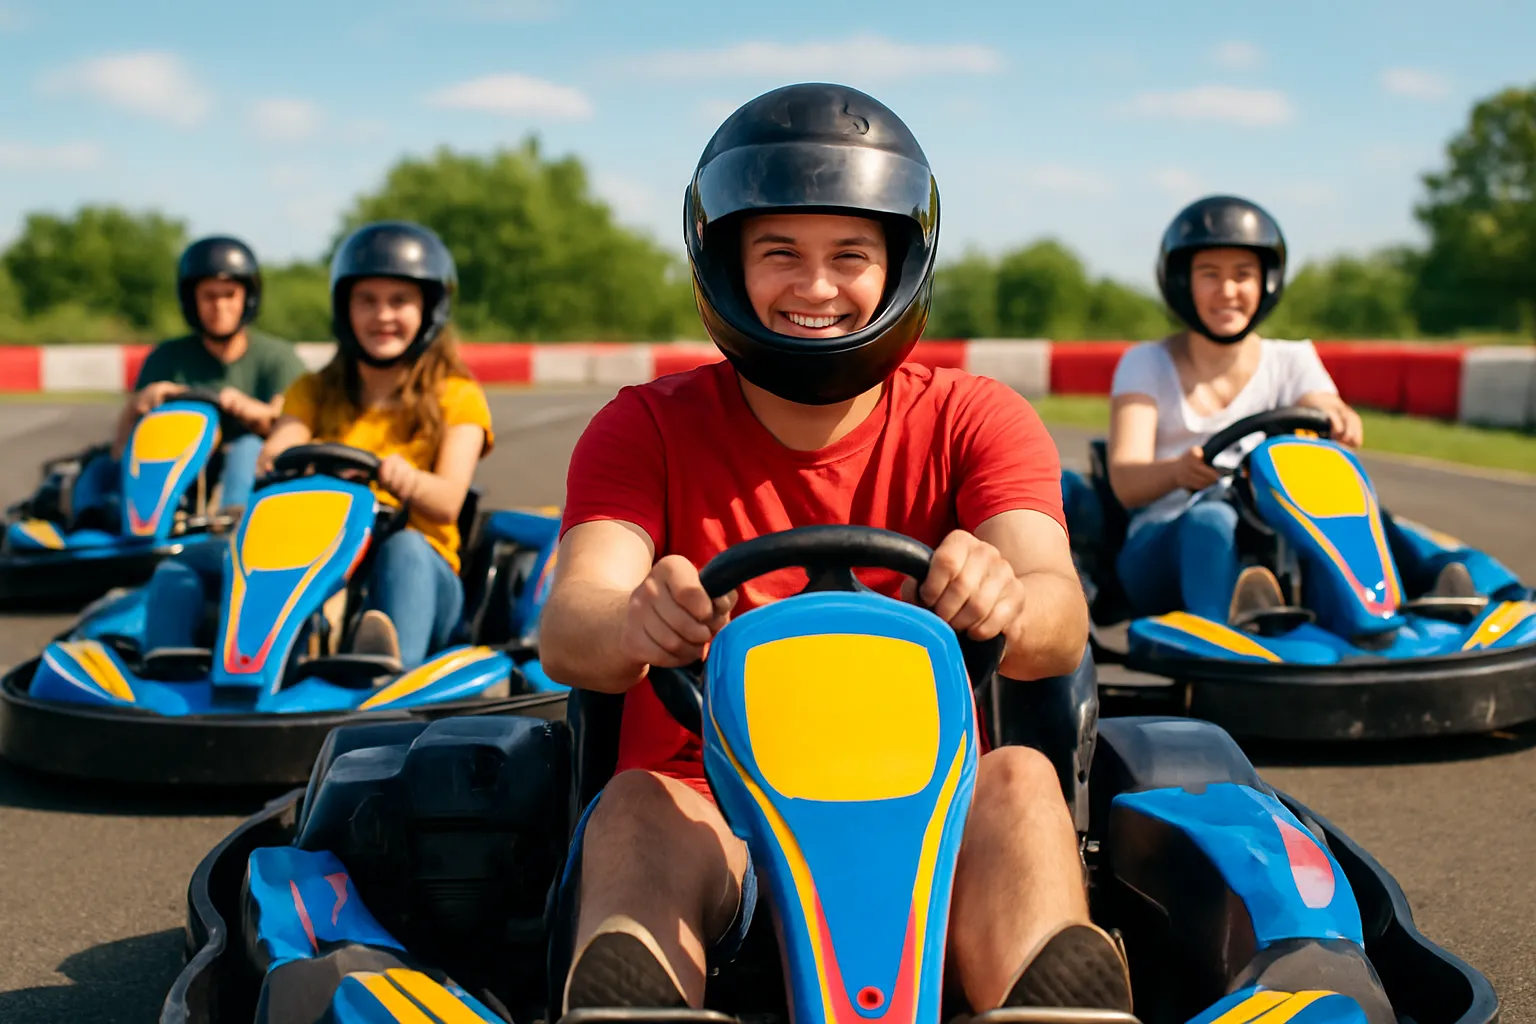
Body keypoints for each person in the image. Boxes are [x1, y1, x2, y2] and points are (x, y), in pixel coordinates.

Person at [539, 84, 1131, 1016]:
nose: (817, 288)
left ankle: (1046, 997)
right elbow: (572, 629)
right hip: (712, 808)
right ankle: (637, 998)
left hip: (930, 811)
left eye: (849, 255)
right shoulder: (642, 427)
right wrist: (635, 617)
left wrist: (1007, 596)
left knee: (1017, 776)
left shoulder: (976, 418)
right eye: (781, 254)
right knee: (635, 805)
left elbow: (1058, 618)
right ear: (725, 267)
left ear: (898, 267)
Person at [141, 221, 494, 670]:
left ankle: (386, 675)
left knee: (403, 551)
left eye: (399, 301)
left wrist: (401, 477)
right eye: (367, 300)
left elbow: (447, 502)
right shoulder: (313, 389)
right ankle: (172, 675)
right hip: (319, 552)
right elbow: (279, 451)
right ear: (344, 308)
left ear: (430, 309)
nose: (382, 315)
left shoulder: (457, 394)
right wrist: (285, 461)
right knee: (182, 565)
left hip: (419, 567)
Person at [1107, 196, 1370, 625]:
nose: (1228, 291)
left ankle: (1452, 584)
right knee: (1211, 519)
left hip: (1271, 531)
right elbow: (1125, 480)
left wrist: (1337, 414)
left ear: (1265, 282)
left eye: (1242, 275)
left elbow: (1322, 403)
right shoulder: (1146, 363)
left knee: (1361, 514)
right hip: (1162, 542)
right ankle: (1224, 637)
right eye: (1210, 275)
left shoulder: (1293, 360)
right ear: (1181, 282)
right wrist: (1177, 472)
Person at [72, 236, 306, 525]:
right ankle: (95, 521)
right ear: (192, 300)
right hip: (178, 465)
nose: (219, 306)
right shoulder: (167, 357)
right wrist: (142, 402)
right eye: (209, 296)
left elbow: (294, 427)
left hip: (250, 471)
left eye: (229, 294)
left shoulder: (278, 358)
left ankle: (233, 520)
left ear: (247, 298)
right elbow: (122, 445)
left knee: (245, 447)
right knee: (98, 466)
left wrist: (248, 409)